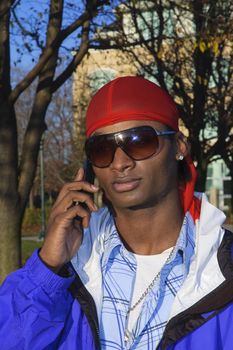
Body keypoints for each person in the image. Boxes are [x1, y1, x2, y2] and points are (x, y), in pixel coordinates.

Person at [0, 76, 233, 350]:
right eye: (102, 149)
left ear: (179, 147)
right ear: (90, 167)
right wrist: (48, 269)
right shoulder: (67, 269)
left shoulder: (221, 272)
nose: (120, 163)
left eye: (139, 141)